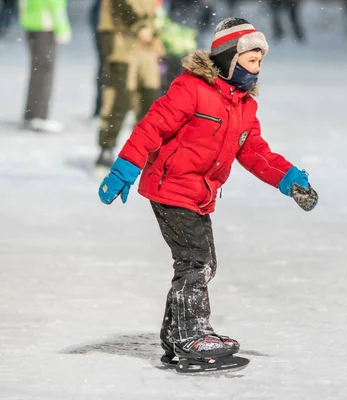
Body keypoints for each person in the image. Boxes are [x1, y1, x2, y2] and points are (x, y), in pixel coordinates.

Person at [97, 18, 319, 367]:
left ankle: (176, 334)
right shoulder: (192, 89)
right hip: (171, 189)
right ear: (230, 58)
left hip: (199, 193)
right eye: (251, 61)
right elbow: (151, 127)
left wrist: (289, 178)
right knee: (196, 262)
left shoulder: (244, 106)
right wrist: (126, 167)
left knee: (201, 263)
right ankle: (191, 335)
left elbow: (255, 151)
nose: (257, 69)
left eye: (260, 62)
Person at [95, 0, 164, 173]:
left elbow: (153, 13)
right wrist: (138, 26)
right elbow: (118, 5)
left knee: (150, 98)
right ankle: (106, 148)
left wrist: (156, 36)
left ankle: (142, 150)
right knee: (119, 98)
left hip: (145, 47)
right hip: (122, 44)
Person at [19, 0, 71, 133]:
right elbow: (55, 4)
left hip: (31, 23)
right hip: (46, 25)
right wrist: (62, 28)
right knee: (45, 72)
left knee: (37, 71)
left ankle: (31, 114)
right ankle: (39, 116)